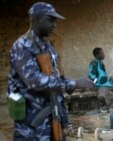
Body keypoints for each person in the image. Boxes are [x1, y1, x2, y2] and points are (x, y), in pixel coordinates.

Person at [7, 2, 95, 140]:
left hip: (52, 117)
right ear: (35, 20)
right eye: (50, 20)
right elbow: (34, 81)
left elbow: (54, 79)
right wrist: (73, 84)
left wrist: (64, 119)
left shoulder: (47, 46)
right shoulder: (22, 46)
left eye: (55, 21)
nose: (54, 24)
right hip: (30, 124)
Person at [88, 47, 113, 111]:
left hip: (109, 82)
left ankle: (110, 101)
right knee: (101, 97)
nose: (104, 55)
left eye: (103, 53)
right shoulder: (94, 62)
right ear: (97, 55)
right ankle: (105, 105)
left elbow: (103, 74)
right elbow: (91, 75)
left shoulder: (101, 62)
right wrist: (96, 83)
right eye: (102, 54)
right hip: (102, 85)